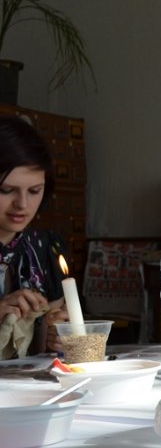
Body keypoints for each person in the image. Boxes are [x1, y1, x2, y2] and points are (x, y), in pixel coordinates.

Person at [0, 115, 69, 358]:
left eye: (34, 191)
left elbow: (39, 356)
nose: (22, 204)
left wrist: (55, 337)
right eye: (6, 190)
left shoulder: (43, 248)